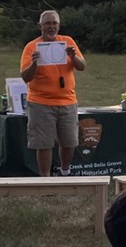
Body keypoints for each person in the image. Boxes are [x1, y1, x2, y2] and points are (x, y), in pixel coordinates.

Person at [21, 10, 87, 177]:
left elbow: (82, 66)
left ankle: (65, 173)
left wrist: (73, 56)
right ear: (40, 27)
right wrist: (35, 63)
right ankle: (46, 180)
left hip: (68, 101)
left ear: (59, 25)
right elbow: (25, 77)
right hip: (40, 102)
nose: (51, 27)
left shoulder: (67, 41)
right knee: (44, 144)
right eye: (47, 24)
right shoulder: (31, 47)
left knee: (69, 142)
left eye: (54, 23)